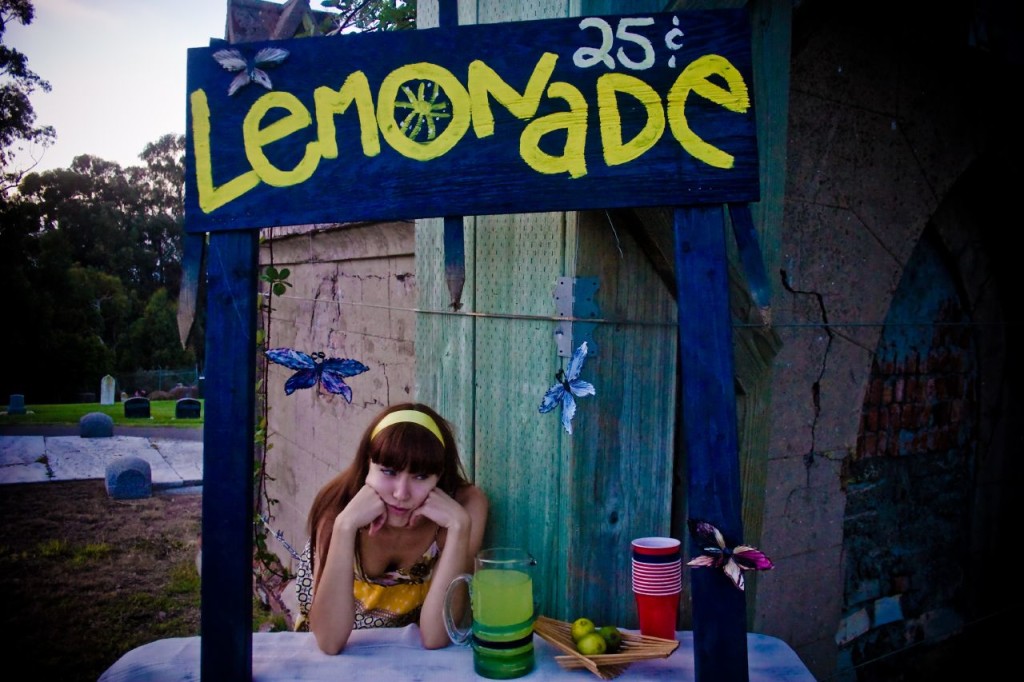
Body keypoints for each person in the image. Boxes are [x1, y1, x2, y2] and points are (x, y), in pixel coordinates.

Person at [297, 403, 488, 654]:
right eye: (388, 472)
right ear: (367, 465)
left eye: (420, 477)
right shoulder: (338, 506)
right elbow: (330, 643)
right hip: (342, 658)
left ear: (439, 476)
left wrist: (459, 527)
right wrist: (345, 526)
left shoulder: (464, 507)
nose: (401, 493)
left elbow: (436, 636)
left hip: (412, 657)